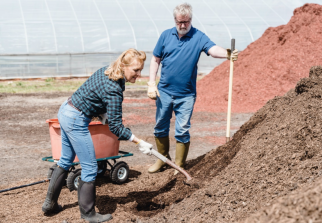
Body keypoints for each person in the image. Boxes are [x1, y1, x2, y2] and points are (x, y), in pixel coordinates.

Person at [41, 48, 153, 222]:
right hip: (76, 119)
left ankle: (49, 205)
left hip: (66, 109)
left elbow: (95, 96)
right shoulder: (114, 88)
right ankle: (88, 214)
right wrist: (138, 141)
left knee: (65, 160)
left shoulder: (107, 70)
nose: (139, 74)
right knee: (90, 168)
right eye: (136, 70)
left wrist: (103, 114)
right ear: (123, 66)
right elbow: (116, 127)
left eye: (141, 70)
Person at [147, 3, 238, 174]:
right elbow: (155, 59)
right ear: (175, 20)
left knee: (182, 130)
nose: (182, 25)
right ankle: (163, 159)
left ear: (191, 20)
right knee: (160, 126)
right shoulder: (166, 36)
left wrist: (226, 53)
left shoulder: (198, 36)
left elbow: (212, 49)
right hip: (164, 92)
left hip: (186, 95)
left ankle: (179, 164)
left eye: (186, 22)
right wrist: (151, 83)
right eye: (179, 22)